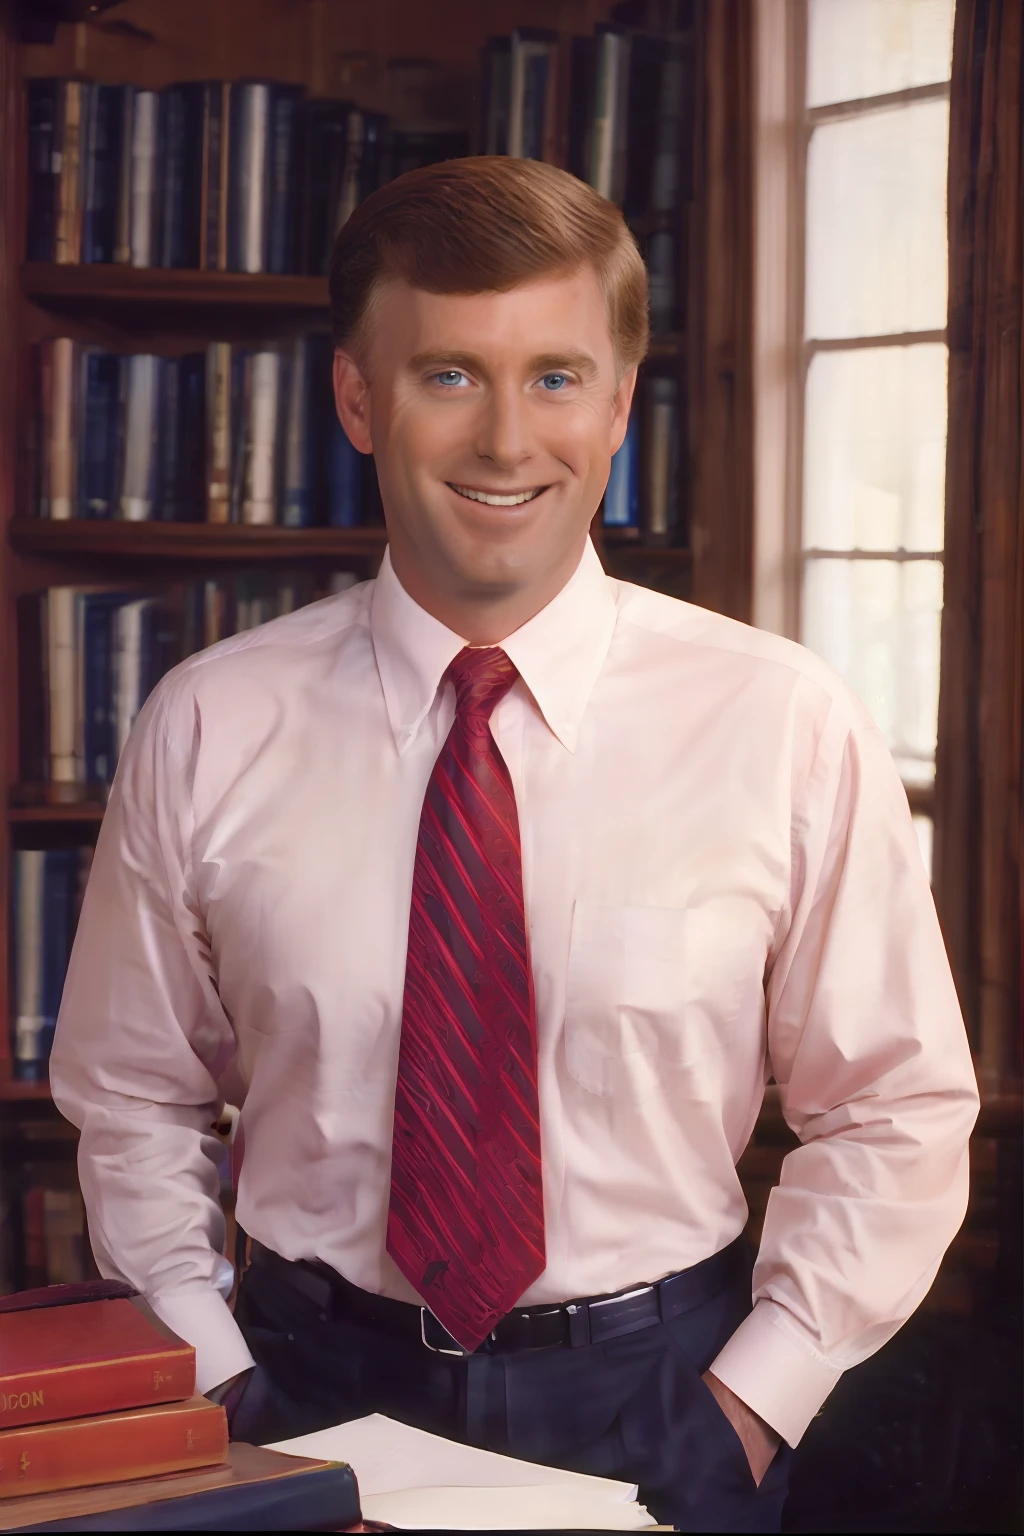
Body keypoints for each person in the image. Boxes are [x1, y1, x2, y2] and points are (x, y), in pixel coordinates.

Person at [49, 157, 979, 1533]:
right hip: (297, 1391)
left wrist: (752, 1403)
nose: (504, 440)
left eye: (554, 377)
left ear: (617, 403)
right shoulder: (208, 724)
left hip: (663, 1398)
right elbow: (130, 1099)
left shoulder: (780, 721)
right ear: (358, 400)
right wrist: (221, 1375)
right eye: (448, 376)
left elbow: (898, 1107)